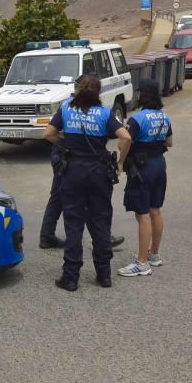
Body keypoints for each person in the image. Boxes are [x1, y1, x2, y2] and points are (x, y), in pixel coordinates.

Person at [45, 75, 132, 290]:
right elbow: (126, 137)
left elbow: (48, 133)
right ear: (98, 92)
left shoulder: (66, 109)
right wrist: (120, 163)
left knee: (73, 223)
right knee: (100, 221)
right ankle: (104, 275)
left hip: (72, 170)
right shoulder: (104, 113)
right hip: (98, 172)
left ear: (78, 90)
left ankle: (71, 277)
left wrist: (64, 143)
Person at [118, 79, 172, 277]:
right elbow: (170, 142)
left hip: (142, 168)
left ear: (142, 95)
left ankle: (141, 263)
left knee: (142, 214)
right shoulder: (165, 117)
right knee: (155, 209)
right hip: (159, 164)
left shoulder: (137, 119)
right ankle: (154, 254)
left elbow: (125, 142)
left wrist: (121, 162)